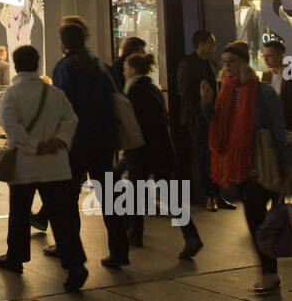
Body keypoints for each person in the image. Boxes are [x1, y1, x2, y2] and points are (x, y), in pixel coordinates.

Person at [202, 42, 292, 294]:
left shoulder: (263, 93)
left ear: (243, 63)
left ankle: (269, 272)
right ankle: (269, 270)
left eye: (231, 62)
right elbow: (219, 125)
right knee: (257, 219)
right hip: (239, 165)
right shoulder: (226, 91)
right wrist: (207, 105)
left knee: (256, 218)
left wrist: (287, 162)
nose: (227, 67)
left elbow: (278, 129)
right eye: (223, 63)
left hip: (262, 164)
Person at [0, 45, 87, 289]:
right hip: (56, 166)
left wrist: (34, 146)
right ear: (37, 63)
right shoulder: (55, 93)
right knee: (63, 218)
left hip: (24, 166)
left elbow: (11, 128)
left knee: (19, 214)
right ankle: (75, 265)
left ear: (15, 64)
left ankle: (15, 258)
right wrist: (58, 141)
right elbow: (71, 119)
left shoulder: (12, 95)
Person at [51, 19, 131, 270]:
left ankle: (72, 250)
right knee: (109, 196)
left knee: (68, 197)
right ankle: (119, 251)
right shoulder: (101, 66)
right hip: (103, 140)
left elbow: (62, 107)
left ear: (63, 43)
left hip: (76, 142)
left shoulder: (64, 68)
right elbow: (114, 100)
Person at [122, 52, 203, 259]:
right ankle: (190, 235)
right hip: (161, 150)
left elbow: (134, 124)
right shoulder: (151, 88)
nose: (123, 71)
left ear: (132, 69)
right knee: (169, 195)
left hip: (141, 151)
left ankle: (135, 233)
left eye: (125, 67)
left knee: (134, 192)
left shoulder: (134, 90)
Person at [176, 29, 235, 212]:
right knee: (204, 157)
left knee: (215, 157)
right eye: (211, 42)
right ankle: (209, 196)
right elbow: (184, 93)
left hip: (213, 118)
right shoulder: (187, 64)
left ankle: (218, 194)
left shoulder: (211, 63)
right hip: (198, 120)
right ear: (201, 43)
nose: (214, 46)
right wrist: (201, 114)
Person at [259, 40, 292, 132]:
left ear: (281, 55)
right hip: (269, 127)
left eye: (270, 56)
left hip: (289, 127)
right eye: (264, 56)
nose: (265, 60)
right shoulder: (266, 75)